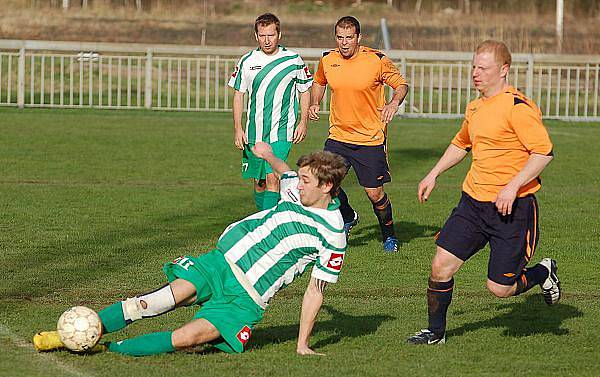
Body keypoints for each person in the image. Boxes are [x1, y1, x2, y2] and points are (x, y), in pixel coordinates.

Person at [33, 143, 348, 356]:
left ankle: (108, 347)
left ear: (326, 186)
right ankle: (68, 335)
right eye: (302, 178)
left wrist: (302, 343)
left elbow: (315, 291)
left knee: (187, 339)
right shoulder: (298, 186)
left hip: (246, 299)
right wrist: (267, 155)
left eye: (307, 180)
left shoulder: (333, 233)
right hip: (219, 265)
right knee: (151, 302)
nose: (299, 184)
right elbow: (285, 171)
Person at [406, 40, 561, 345]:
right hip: (472, 205)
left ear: (504, 70)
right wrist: (433, 173)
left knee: (499, 289)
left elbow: (543, 153)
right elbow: (461, 143)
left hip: (513, 210)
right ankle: (435, 332)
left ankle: (543, 273)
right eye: (474, 67)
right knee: (440, 266)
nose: (475, 73)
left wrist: (512, 187)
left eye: (483, 68)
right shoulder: (475, 107)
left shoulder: (519, 108)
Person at [308, 16, 408, 253]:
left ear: (358, 38)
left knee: (375, 194)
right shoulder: (327, 59)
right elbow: (319, 82)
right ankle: (348, 216)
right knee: (324, 181)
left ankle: (389, 235)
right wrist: (315, 102)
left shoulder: (376, 60)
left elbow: (401, 85)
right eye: (340, 38)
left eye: (349, 38)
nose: (344, 43)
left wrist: (394, 103)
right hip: (339, 135)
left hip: (369, 138)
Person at [229, 13, 313, 211]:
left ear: (279, 34)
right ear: (256, 36)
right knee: (260, 183)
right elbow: (238, 95)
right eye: (262, 35)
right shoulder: (247, 61)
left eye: (271, 35)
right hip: (255, 132)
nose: (267, 40)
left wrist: (303, 122)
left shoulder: (293, 60)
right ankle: (263, 218)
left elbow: (305, 91)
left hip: (283, 130)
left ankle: (268, 226)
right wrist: (238, 128)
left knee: (273, 177)